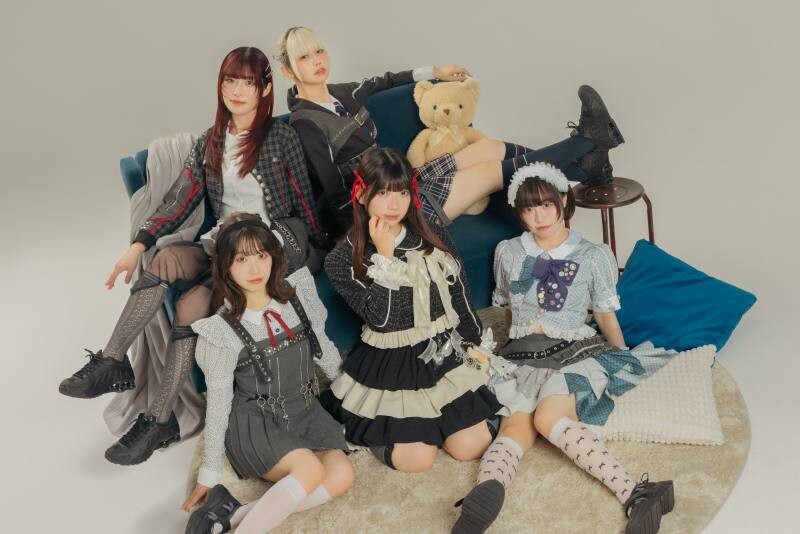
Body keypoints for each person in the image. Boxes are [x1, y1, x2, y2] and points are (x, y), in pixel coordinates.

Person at [58, 46, 325, 466]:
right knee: (162, 260)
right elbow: (180, 199)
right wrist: (137, 245)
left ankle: (159, 418)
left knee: (189, 307)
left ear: (265, 88)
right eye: (230, 80)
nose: (236, 90)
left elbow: (304, 205)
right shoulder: (210, 141)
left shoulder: (281, 138)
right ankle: (112, 361)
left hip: (264, 248)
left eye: (248, 82)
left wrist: (310, 253)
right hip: (220, 243)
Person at [453, 162, 675, 534]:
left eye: (545, 205)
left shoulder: (592, 255)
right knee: (514, 426)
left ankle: (636, 492)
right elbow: (507, 309)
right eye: (528, 209)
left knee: (548, 417)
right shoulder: (509, 251)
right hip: (521, 353)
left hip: (572, 349)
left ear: (563, 200)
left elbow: (604, 314)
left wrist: (621, 355)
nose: (537, 217)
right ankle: (482, 500)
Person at [277, 26, 624, 237]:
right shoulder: (305, 123)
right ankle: (588, 141)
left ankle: (585, 167)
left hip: (402, 179)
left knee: (488, 148)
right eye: (304, 57)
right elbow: (335, 192)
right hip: (391, 212)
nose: (317, 60)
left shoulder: (341, 93)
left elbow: (385, 80)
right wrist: (365, 237)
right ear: (288, 71)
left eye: (319, 50)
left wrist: (436, 72)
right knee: (489, 173)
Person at [323, 147, 502, 473]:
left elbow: (459, 292)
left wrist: (474, 343)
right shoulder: (341, 259)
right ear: (361, 195)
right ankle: (399, 431)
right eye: (383, 193)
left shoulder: (432, 233)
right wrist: (386, 257)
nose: (394, 204)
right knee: (416, 460)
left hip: (441, 348)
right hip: (392, 360)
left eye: (402, 193)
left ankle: (440, 425)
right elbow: (384, 320)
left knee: (471, 446)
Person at [183, 212, 353, 534]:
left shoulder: (298, 297)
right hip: (257, 421)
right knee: (309, 470)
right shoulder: (221, 330)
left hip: (304, 410)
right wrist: (209, 472)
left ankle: (232, 514)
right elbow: (219, 403)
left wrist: (353, 394)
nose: (255, 269)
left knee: (343, 474)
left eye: (261, 256)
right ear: (226, 267)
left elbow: (325, 350)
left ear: (274, 256)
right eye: (242, 259)